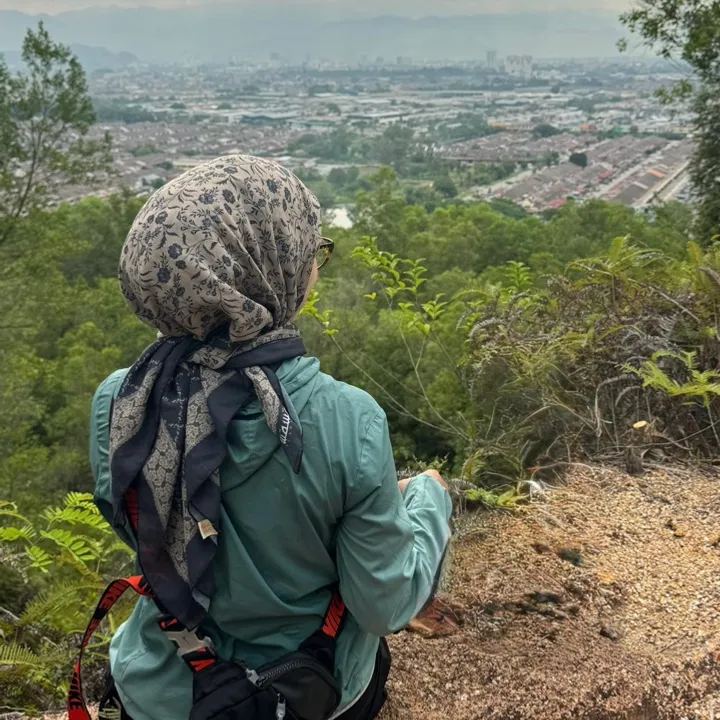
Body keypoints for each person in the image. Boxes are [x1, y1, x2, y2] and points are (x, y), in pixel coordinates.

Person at [89, 155, 452, 720]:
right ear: (267, 269)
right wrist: (429, 499)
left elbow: (146, 527)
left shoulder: (122, 401)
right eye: (311, 253)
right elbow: (385, 604)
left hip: (157, 692)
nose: (313, 268)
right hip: (303, 689)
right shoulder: (346, 419)